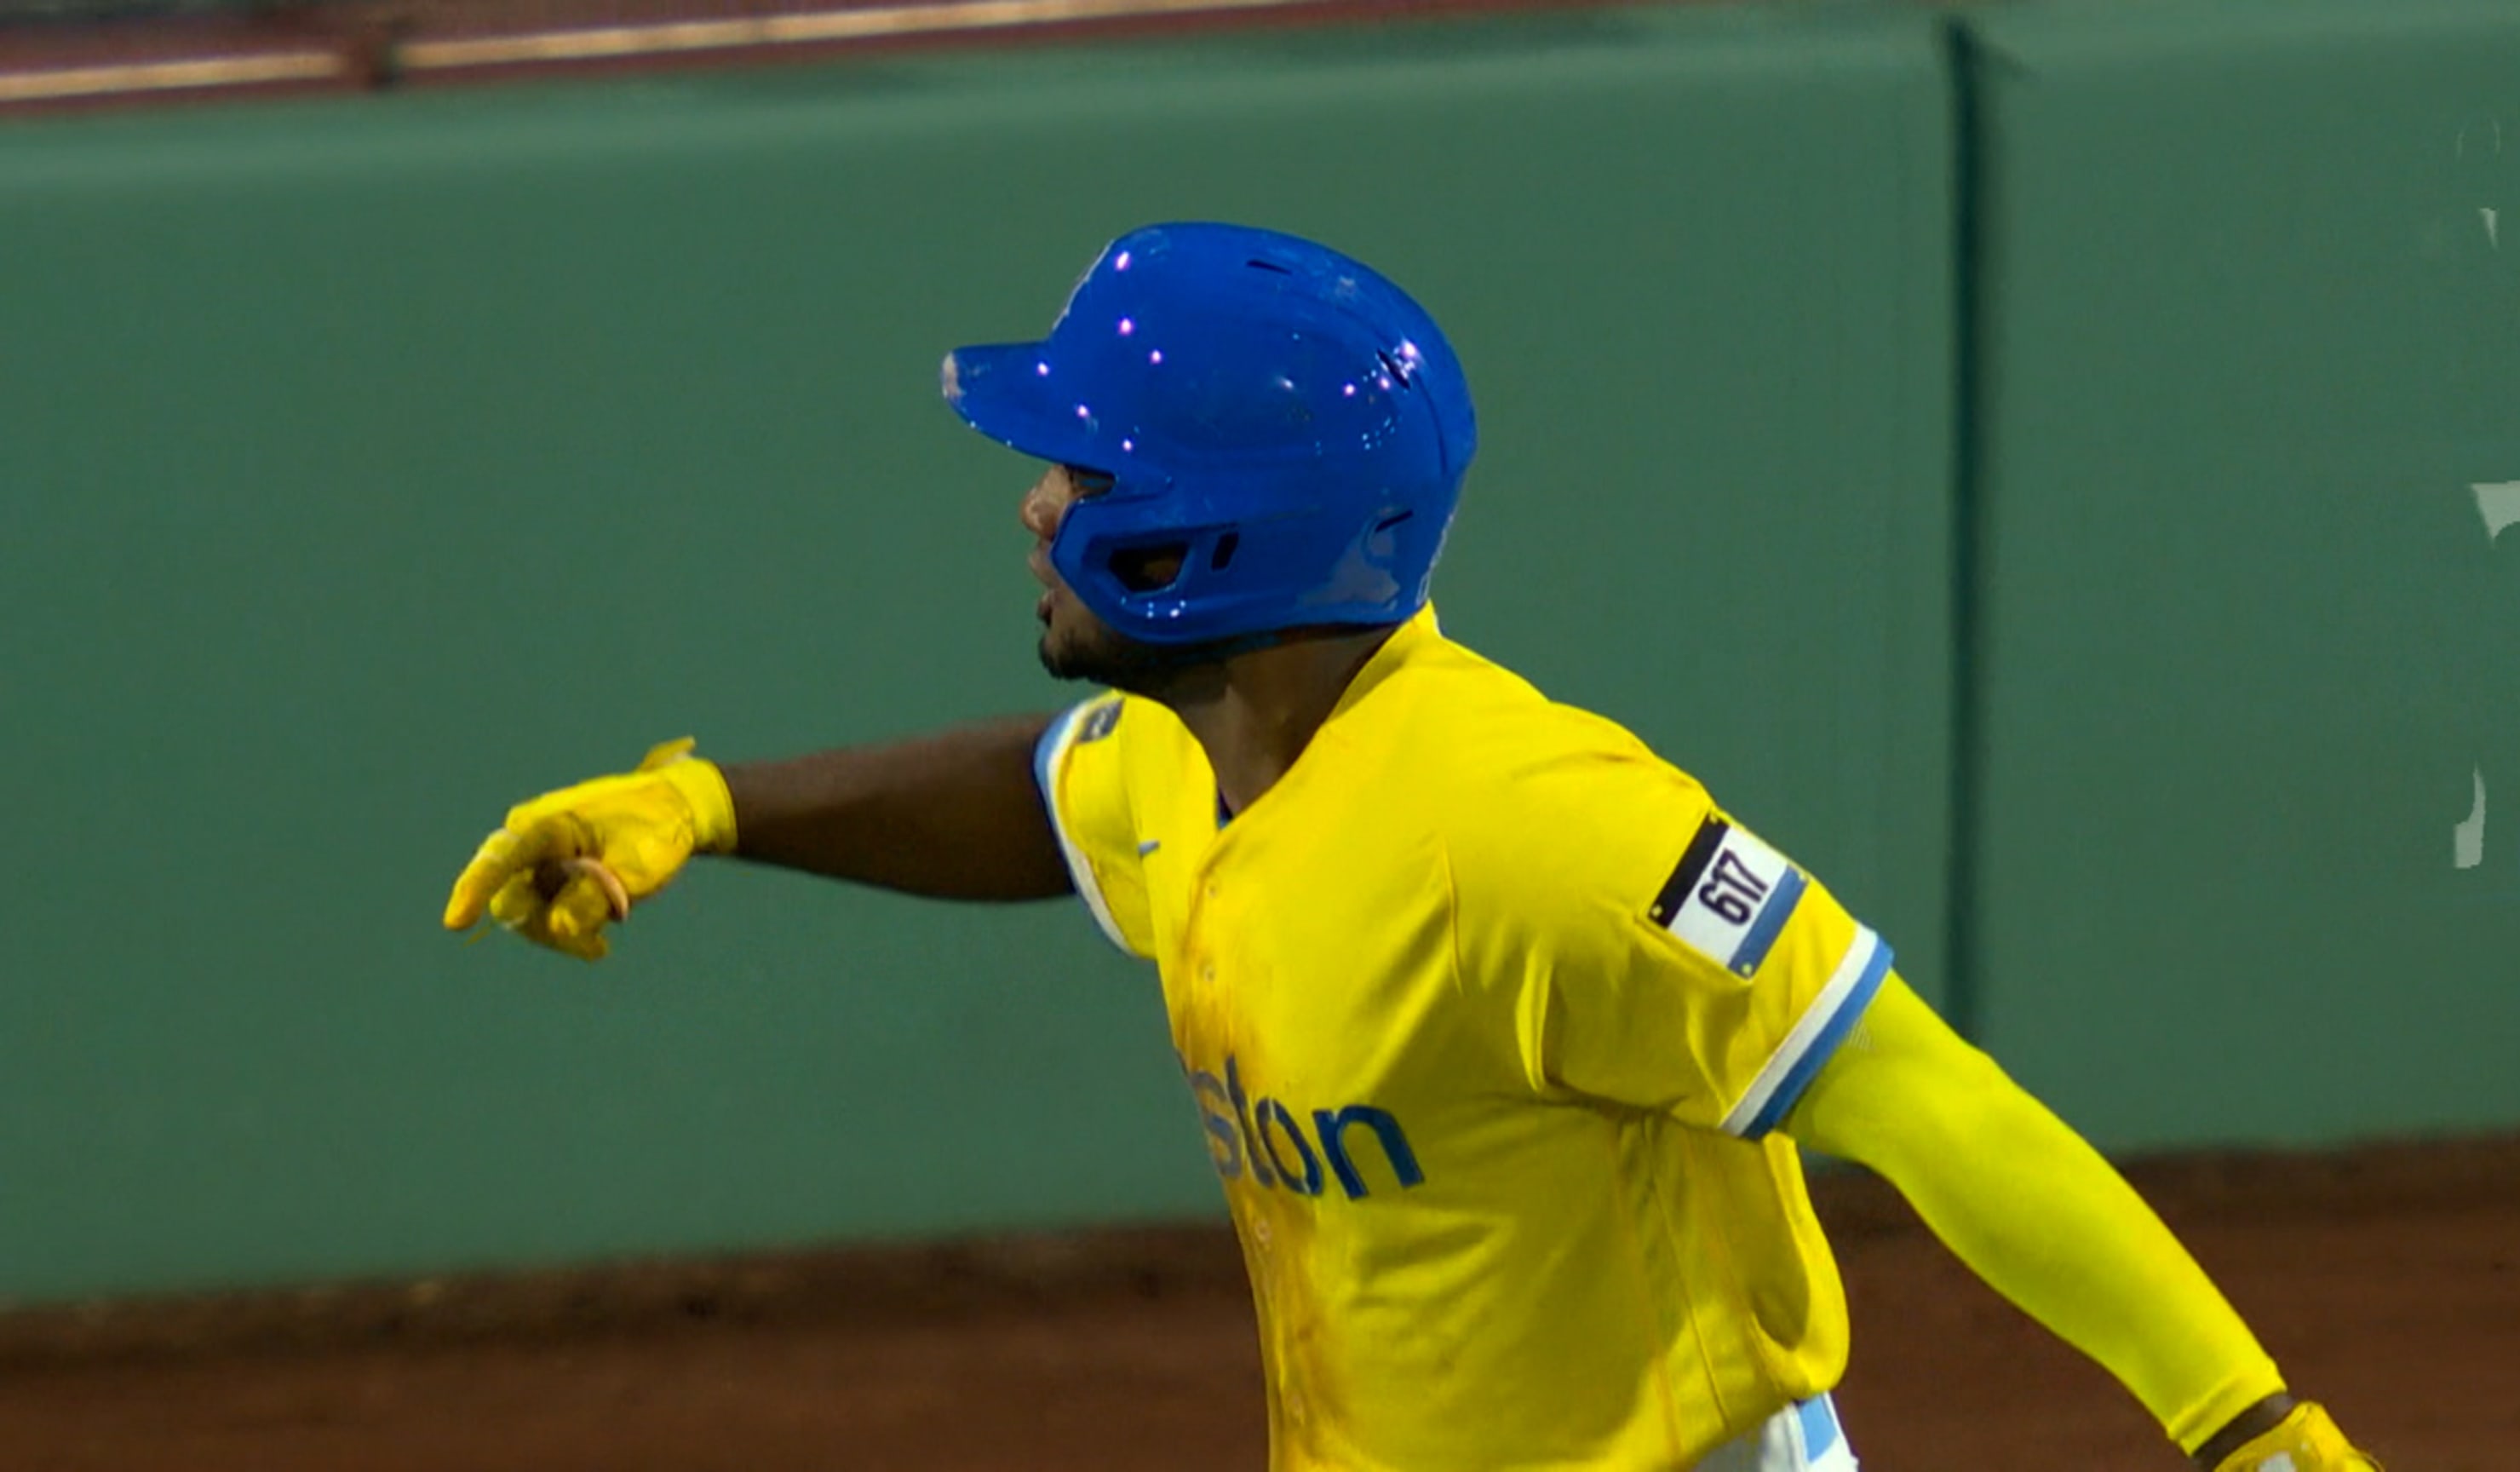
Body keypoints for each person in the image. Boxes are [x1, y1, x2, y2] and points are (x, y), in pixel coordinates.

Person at [443, 222, 2382, 1472]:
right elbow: (1047, 795)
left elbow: (1919, 1093)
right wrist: (706, 806)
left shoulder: (1525, 831)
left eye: (1084, 476)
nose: (1035, 510)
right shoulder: (1203, 751)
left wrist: (2249, 1422)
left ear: (1214, 536)